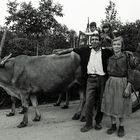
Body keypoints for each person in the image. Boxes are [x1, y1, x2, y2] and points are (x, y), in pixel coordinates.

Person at [56, 31, 113, 132]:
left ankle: (98, 122)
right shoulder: (85, 50)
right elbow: (73, 49)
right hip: (90, 79)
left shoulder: (106, 51)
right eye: (92, 40)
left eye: (96, 40)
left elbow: (118, 49)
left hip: (102, 79)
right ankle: (88, 124)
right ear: (91, 42)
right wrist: (61, 52)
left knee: (100, 102)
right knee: (89, 102)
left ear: (100, 42)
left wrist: (110, 39)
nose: (94, 41)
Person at [101, 36, 137, 137]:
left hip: (122, 83)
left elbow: (131, 72)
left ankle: (121, 126)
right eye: (114, 44)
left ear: (121, 46)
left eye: (118, 44)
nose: (116, 46)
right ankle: (113, 125)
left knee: (121, 106)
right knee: (111, 104)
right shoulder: (110, 59)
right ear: (112, 46)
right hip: (111, 82)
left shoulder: (127, 57)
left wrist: (128, 86)